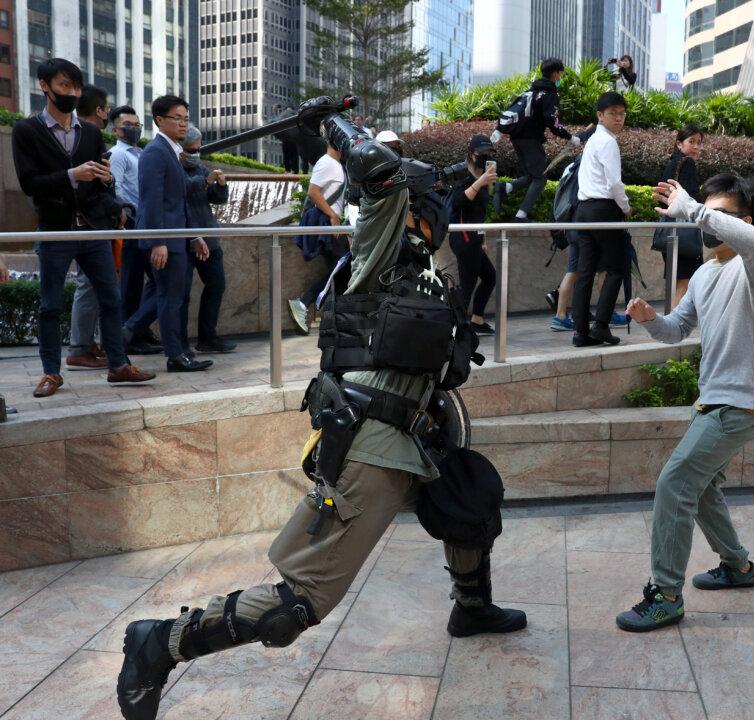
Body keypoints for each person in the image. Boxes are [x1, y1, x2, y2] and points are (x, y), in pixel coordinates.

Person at [116, 136, 526, 720]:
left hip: (417, 431)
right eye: (427, 197)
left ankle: (472, 607)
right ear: (407, 207)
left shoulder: (425, 268)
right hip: (375, 440)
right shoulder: (382, 248)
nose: (439, 206)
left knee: (470, 505)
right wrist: (347, 134)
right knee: (301, 603)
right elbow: (377, 179)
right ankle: (161, 641)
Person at [615, 172, 754, 632]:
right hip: (713, 401)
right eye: (707, 212)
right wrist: (649, 319)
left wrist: (691, 208)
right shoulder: (705, 274)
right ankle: (738, 567)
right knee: (701, 488)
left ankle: (666, 595)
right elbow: (676, 329)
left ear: (745, 222)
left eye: (721, 215)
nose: (708, 223)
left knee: (674, 483)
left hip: (740, 402)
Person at [11, 58, 154, 398]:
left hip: (92, 229)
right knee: (49, 305)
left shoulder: (90, 132)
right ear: (45, 85)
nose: (71, 93)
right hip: (55, 230)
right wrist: (72, 175)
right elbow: (29, 184)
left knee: (110, 298)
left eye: (75, 87)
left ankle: (118, 366)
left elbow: (103, 185)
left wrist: (106, 181)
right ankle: (50, 373)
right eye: (64, 86)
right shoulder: (26, 131)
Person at [127, 95, 211, 372]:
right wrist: (158, 241)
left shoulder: (172, 151)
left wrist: (193, 236)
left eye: (186, 118)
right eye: (177, 118)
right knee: (169, 298)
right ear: (159, 120)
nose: (183, 124)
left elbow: (178, 203)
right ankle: (175, 356)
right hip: (165, 240)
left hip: (177, 237)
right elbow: (152, 200)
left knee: (175, 297)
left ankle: (179, 352)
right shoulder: (155, 152)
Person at [571, 91, 630, 348]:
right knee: (617, 267)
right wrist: (626, 207)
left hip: (583, 211)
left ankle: (580, 332)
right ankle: (601, 326)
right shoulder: (607, 142)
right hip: (603, 210)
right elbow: (614, 183)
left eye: (621, 114)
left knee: (585, 273)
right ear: (600, 116)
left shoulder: (593, 141)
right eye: (613, 114)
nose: (618, 118)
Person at [492, 58, 579, 222]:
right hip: (531, 140)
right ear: (555, 74)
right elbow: (552, 122)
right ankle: (521, 215)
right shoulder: (549, 94)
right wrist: (570, 137)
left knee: (531, 176)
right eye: (560, 74)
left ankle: (503, 187)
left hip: (516, 138)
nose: (560, 78)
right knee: (540, 178)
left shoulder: (530, 91)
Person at [65, 83, 113, 370]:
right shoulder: (82, 136)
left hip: (90, 222)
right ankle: (79, 347)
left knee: (95, 286)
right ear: (99, 110)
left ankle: (87, 344)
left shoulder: (85, 135)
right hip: (82, 224)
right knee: (89, 285)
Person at [109, 105, 162, 356]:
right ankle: (129, 335)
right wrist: (128, 214)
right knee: (131, 283)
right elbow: (115, 189)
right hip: (132, 223)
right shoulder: (117, 155)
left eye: (137, 123)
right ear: (116, 130)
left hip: (146, 222)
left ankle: (138, 330)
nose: (134, 128)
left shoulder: (140, 153)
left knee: (153, 279)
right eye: (128, 124)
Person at [179, 125, 236, 353]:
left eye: (198, 148)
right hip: (183, 238)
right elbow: (181, 190)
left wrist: (221, 185)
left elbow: (216, 199)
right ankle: (180, 343)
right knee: (181, 294)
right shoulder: (173, 167)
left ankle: (208, 337)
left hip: (208, 237)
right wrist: (205, 181)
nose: (196, 152)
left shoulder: (201, 168)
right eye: (192, 149)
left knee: (216, 284)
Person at [288, 142, 348, 334]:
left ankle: (329, 314)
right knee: (342, 268)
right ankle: (304, 303)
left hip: (331, 224)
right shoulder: (327, 163)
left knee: (340, 269)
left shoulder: (335, 164)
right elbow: (313, 192)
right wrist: (333, 215)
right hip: (328, 223)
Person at [448, 134, 499, 335]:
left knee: (489, 277)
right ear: (471, 153)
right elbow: (458, 202)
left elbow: (480, 213)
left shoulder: (483, 175)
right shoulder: (462, 175)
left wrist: (483, 238)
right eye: (482, 152)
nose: (486, 156)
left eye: (489, 152)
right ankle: (456, 326)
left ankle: (476, 320)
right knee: (467, 285)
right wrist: (481, 182)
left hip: (474, 237)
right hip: (463, 236)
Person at [654, 125, 706, 308]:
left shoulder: (672, 163)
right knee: (684, 282)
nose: (696, 147)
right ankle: (673, 325)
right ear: (679, 144)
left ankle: (672, 322)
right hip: (683, 231)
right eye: (691, 142)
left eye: (699, 143)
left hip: (669, 230)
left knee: (679, 281)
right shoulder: (687, 163)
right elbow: (691, 196)